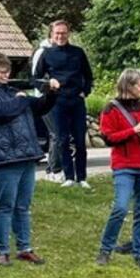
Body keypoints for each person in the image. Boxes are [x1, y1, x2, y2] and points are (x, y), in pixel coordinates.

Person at [0, 52, 59, 266]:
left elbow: (39, 107)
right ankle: (2, 250)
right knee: (4, 206)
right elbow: (0, 112)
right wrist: (21, 100)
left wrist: (52, 93)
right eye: (1, 72)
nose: (5, 75)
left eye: (7, 71)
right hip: (3, 158)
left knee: (23, 206)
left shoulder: (12, 91)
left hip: (26, 155)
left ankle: (24, 248)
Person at [96, 68, 140, 271]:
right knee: (121, 207)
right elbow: (108, 137)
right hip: (124, 165)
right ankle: (105, 249)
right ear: (129, 86)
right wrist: (132, 131)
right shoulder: (111, 109)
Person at [33, 20, 94, 188]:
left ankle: (81, 177)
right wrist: (48, 86)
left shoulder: (78, 53)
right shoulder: (46, 54)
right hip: (57, 101)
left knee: (80, 140)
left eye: (63, 33)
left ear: (68, 34)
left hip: (76, 100)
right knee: (62, 139)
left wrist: (85, 91)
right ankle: (68, 176)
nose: (60, 36)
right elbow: (36, 79)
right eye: (57, 33)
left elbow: (88, 76)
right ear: (52, 35)